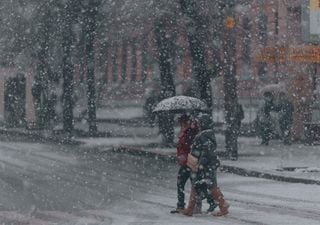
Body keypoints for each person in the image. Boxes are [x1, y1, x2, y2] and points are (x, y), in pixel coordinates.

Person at [183, 114, 229, 217]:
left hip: (204, 166)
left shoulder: (204, 136)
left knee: (211, 187)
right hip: (205, 166)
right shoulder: (206, 135)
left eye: (199, 122)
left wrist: (200, 164)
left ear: (203, 124)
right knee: (199, 186)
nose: (197, 124)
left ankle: (223, 206)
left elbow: (206, 152)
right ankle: (190, 209)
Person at [171, 114, 216, 214]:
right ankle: (181, 205)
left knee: (195, 185)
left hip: (191, 162)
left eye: (183, 122)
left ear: (188, 122)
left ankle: (208, 202)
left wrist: (185, 153)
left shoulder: (191, 132)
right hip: (185, 162)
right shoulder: (184, 131)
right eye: (181, 123)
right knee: (183, 183)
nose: (182, 124)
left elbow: (192, 146)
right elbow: (182, 146)